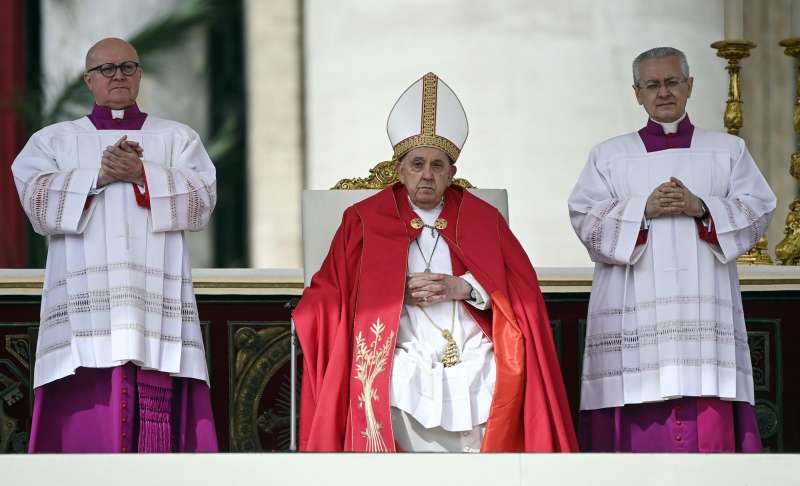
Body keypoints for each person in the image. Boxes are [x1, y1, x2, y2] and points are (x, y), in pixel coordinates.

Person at [294, 72, 577, 452]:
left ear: (452, 173)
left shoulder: (483, 218)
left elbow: (520, 291)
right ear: (399, 170)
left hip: (473, 348)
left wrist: (465, 287)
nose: (427, 175)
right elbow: (328, 292)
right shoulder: (363, 220)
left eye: (438, 165)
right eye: (417, 164)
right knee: (385, 378)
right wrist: (392, 292)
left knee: (495, 373)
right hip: (401, 348)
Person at [12, 37, 218, 452]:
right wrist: (99, 176)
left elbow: (201, 203)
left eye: (127, 67)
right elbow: (36, 201)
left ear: (139, 75)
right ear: (89, 80)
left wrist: (144, 173)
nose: (118, 76)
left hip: (152, 302)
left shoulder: (177, 138)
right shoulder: (53, 140)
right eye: (106, 69)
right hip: (85, 304)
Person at [568, 46, 776, 452]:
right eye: (652, 85)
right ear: (637, 93)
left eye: (671, 82)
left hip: (704, 311)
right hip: (636, 324)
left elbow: (758, 208)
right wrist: (641, 210)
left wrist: (702, 208)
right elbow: (584, 219)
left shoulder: (728, 150)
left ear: (689, 86)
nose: (663, 92)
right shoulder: (609, 155)